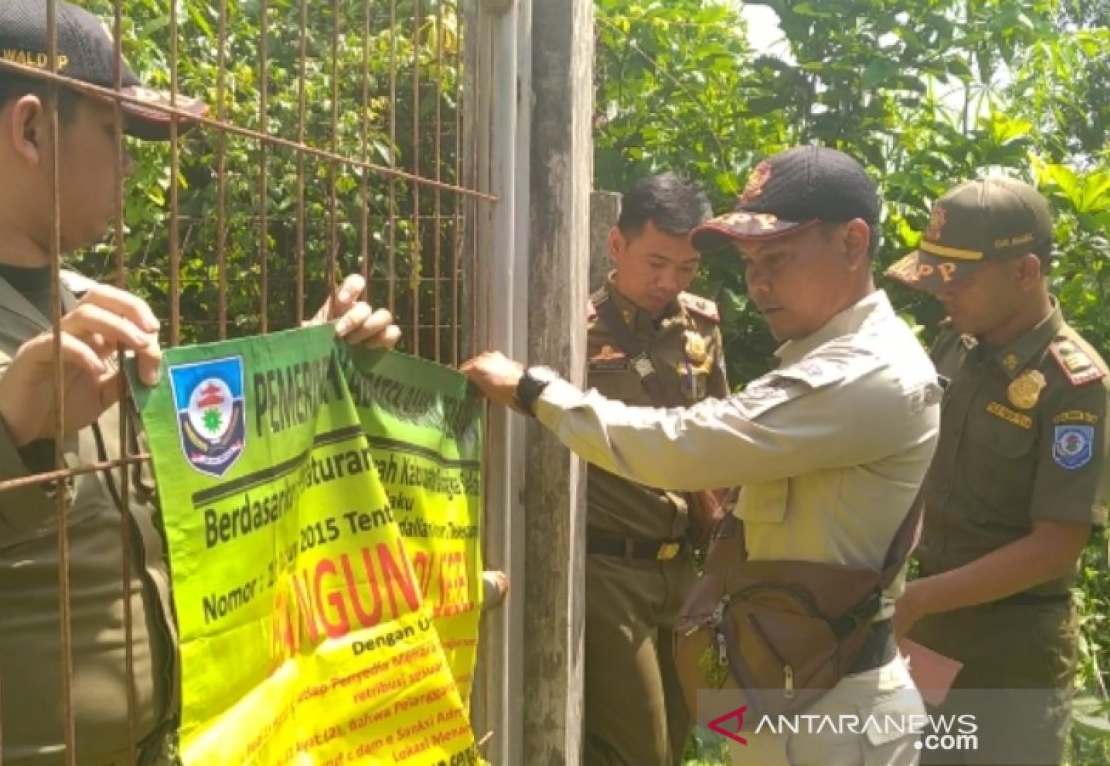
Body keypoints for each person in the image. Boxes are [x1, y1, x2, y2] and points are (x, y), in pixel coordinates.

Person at [0, 0, 399, 765]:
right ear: (31, 128)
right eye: (116, 131)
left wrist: (303, 368)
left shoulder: (99, 309)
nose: (133, 161)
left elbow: (191, 495)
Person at [463, 145, 940, 766]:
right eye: (748, 263)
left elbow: (685, 445)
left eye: (776, 258)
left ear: (852, 243)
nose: (757, 283)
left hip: (830, 714)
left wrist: (533, 390)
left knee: (665, 742)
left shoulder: (863, 373)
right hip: (785, 680)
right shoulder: (824, 360)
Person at [887, 176, 1110, 766]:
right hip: (928, 629)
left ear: (1025, 271)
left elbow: (1056, 545)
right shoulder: (955, 346)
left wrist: (916, 600)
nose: (942, 291)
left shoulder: (1075, 385)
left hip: (1012, 652)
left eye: (960, 277)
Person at [581, 173, 727, 766]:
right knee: (637, 749)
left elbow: (720, 436)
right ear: (617, 247)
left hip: (683, 569)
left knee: (684, 736)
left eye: (686, 269)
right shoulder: (573, 324)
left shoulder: (702, 327)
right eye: (656, 262)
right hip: (609, 568)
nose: (668, 283)